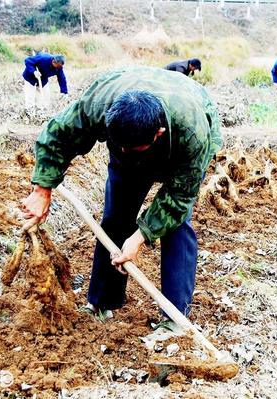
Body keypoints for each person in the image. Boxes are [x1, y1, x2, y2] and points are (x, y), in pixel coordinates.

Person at [21, 66, 222, 319]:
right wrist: (42, 189)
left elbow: (178, 200)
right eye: (120, 146)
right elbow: (59, 136)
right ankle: (103, 303)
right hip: (132, 129)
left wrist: (139, 238)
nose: (126, 153)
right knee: (116, 217)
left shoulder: (192, 132)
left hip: (181, 145)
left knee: (176, 226)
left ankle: (175, 317)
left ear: (157, 134)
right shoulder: (99, 103)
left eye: (133, 148)